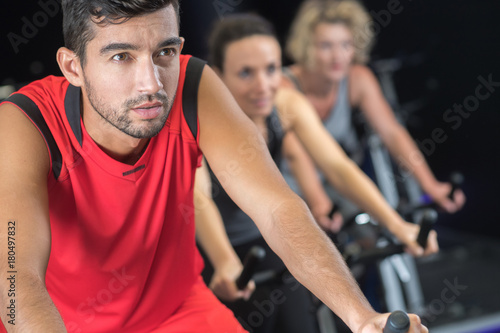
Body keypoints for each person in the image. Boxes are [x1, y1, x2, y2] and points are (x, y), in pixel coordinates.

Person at [0, 1, 429, 332]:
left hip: (177, 311)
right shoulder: (24, 123)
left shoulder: (192, 87)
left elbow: (277, 208)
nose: (150, 84)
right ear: (73, 67)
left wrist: (361, 317)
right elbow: (15, 278)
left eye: (163, 52)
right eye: (121, 57)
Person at [194, 13, 436, 333]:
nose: (263, 85)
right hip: (217, 251)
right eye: (245, 73)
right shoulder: (203, 120)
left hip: (270, 240)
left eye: (270, 69)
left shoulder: (285, 105)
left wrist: (395, 224)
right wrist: (224, 259)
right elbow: (198, 199)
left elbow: (338, 167)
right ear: (219, 78)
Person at [281, 0, 466, 221]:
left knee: (374, 234)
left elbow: (392, 133)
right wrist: (320, 203)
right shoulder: (284, 86)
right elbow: (294, 155)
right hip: (286, 188)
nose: (338, 56)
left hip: (333, 183)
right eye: (326, 46)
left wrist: (430, 185)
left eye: (346, 44)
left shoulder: (358, 78)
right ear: (307, 46)